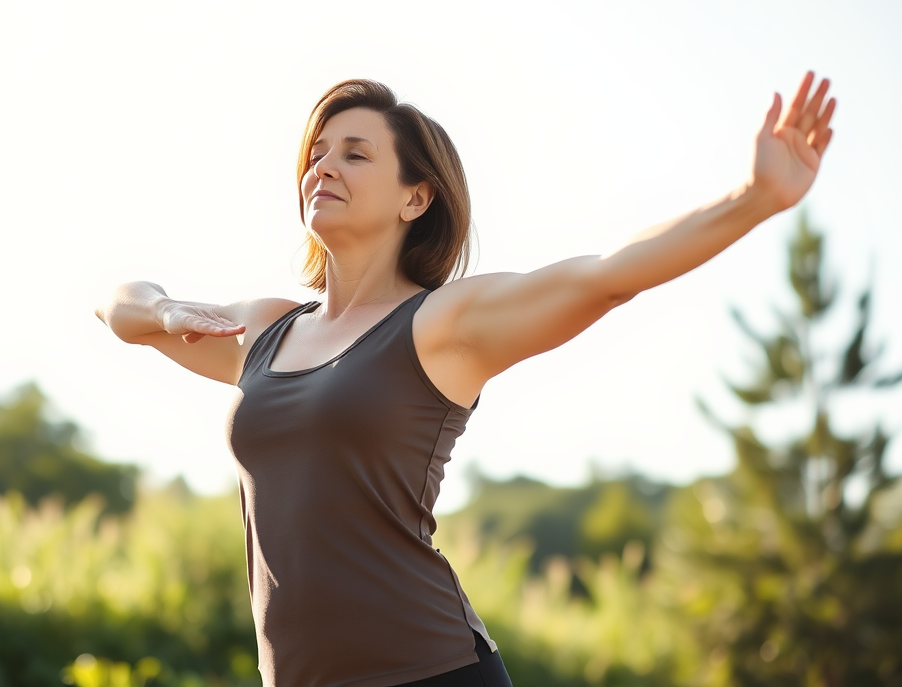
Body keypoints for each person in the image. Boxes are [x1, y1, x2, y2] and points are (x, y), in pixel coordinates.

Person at [96, 73, 836, 687]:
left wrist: (752, 199)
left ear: (415, 199)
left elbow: (607, 276)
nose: (323, 166)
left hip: (431, 671)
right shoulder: (263, 330)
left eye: (355, 155)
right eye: (316, 153)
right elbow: (113, 306)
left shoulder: (443, 325)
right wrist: (163, 310)